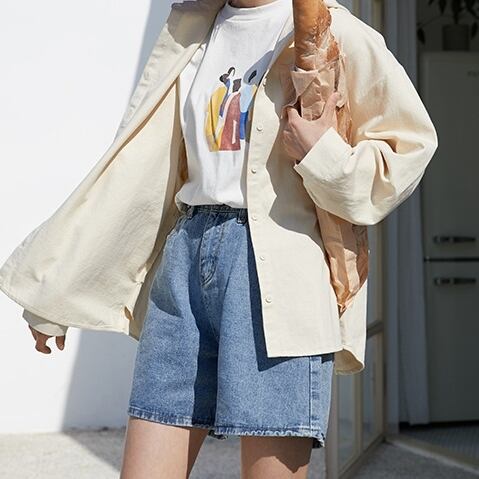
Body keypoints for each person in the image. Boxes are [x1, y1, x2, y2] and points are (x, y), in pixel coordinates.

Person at [0, 0, 438, 478]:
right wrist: (58, 292)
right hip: (185, 261)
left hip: (278, 274)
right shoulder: (191, 29)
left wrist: (323, 154)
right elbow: (133, 172)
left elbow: (410, 146)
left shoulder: (331, 29)